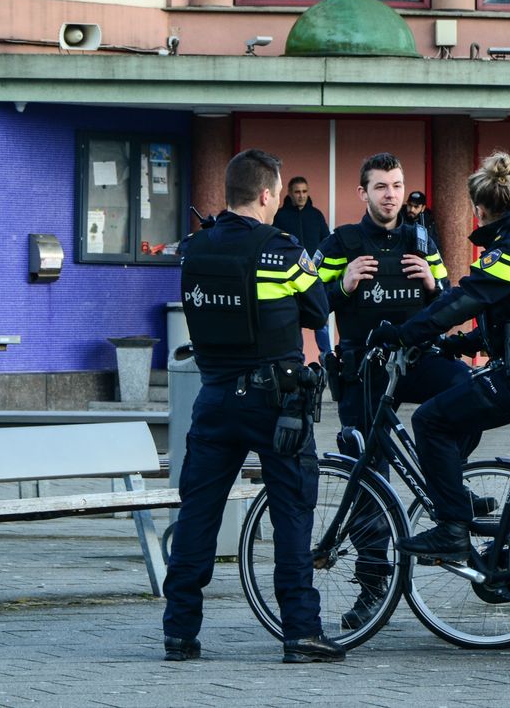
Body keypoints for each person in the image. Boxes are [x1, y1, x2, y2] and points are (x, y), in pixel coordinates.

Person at [163, 149, 345, 665]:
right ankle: (301, 633)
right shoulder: (282, 251)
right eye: (278, 193)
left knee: (198, 514)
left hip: (214, 397)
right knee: (292, 514)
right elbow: (317, 310)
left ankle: (179, 632)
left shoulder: (194, 250)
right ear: (267, 194)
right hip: (276, 402)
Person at [369, 152, 510, 562]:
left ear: (480, 209)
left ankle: (453, 525)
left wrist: (404, 334)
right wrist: (457, 346)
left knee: (430, 419)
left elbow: (464, 300)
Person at [314, 152, 482, 630]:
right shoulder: (340, 242)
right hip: (362, 371)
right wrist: (342, 287)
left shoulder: (421, 237)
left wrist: (433, 284)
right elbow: (306, 305)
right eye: (380, 187)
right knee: (370, 479)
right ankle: (372, 588)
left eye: (396, 185)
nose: (390, 195)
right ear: (362, 193)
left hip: (418, 361)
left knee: (466, 392)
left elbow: (450, 296)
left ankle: (447, 486)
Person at [273, 176, 333, 355]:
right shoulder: (279, 217)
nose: (301, 195)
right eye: (297, 192)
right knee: (294, 321)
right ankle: (296, 362)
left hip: (314, 277)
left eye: (304, 191)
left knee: (321, 321)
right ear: (290, 193)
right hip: (289, 278)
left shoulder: (316, 215)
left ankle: (327, 360)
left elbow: (327, 243)